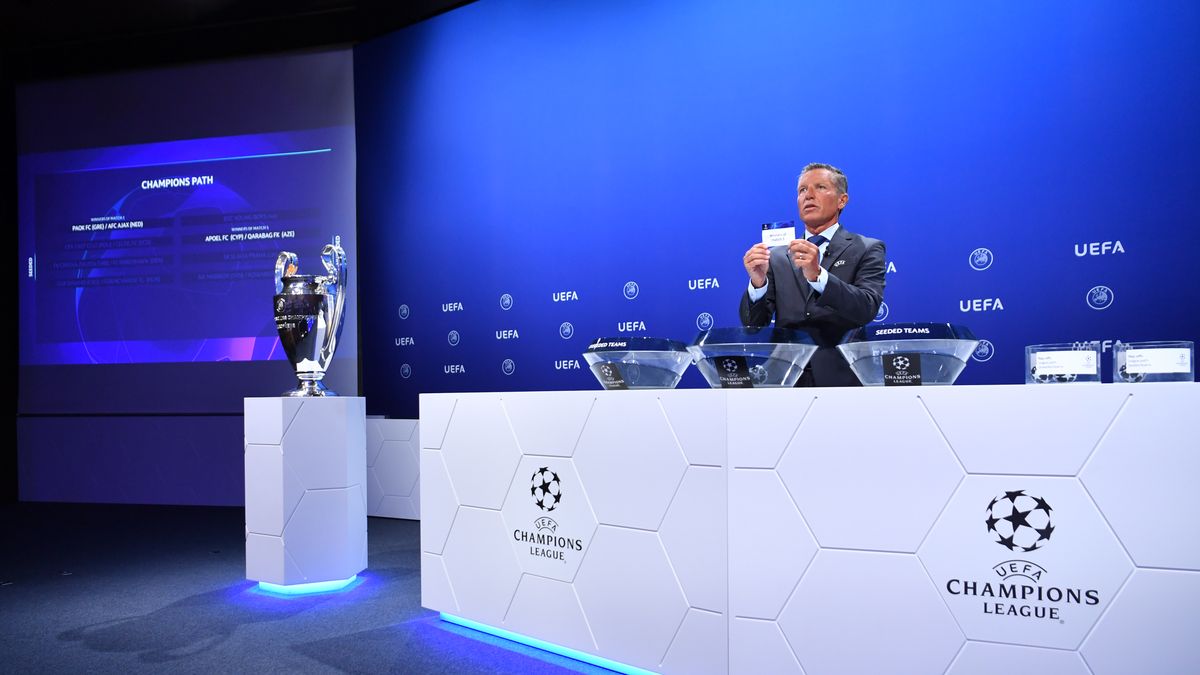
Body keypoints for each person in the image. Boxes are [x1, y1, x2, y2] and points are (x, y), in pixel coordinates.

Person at [739, 163, 886, 387]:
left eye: (820, 187)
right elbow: (753, 325)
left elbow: (866, 308)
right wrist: (757, 284)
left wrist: (819, 276)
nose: (809, 195)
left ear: (842, 200)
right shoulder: (778, 256)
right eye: (802, 190)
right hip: (785, 378)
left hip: (842, 377)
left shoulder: (866, 248)